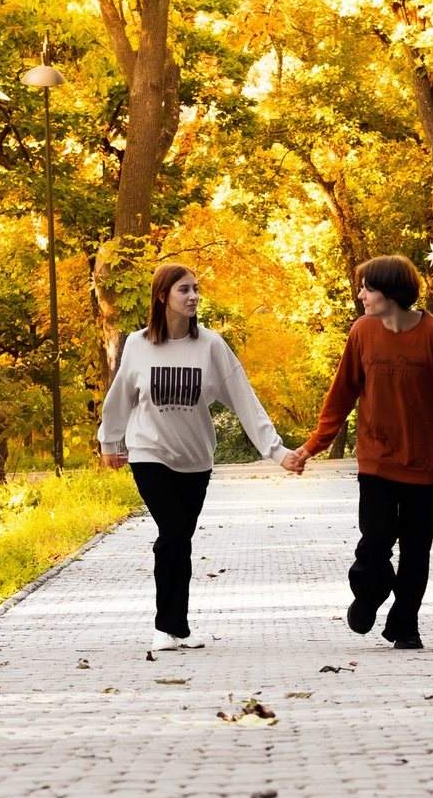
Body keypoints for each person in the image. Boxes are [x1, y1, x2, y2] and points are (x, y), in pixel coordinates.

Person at [281, 256, 433, 650]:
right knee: (374, 541)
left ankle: (405, 624)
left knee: (415, 551)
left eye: (368, 289)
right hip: (375, 460)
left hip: (424, 464)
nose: (360, 295)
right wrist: (313, 446)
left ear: (391, 294)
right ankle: (370, 593)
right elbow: (341, 393)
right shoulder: (362, 331)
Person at [99, 264, 295, 653]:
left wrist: (276, 450)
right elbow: (120, 395)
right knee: (172, 533)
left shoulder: (211, 345)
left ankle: (177, 627)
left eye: (196, 290)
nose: (193, 297)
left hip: (196, 460)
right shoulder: (138, 345)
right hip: (148, 453)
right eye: (184, 290)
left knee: (180, 540)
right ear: (162, 296)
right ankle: (164, 626)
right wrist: (110, 442)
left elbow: (243, 398)